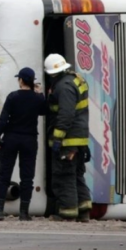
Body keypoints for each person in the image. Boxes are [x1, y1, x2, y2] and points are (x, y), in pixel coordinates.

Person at [0, 67, 47, 221]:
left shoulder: (13, 97)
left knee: (4, 175)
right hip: (29, 140)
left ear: (21, 80)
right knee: (27, 177)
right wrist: (40, 93)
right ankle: (24, 213)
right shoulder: (37, 99)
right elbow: (44, 111)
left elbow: (3, 120)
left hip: (11, 139)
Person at [43, 53, 92, 222]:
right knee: (77, 175)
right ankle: (84, 211)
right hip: (78, 138)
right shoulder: (76, 80)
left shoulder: (63, 87)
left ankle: (67, 212)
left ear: (52, 73)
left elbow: (66, 114)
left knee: (64, 176)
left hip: (67, 140)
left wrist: (57, 138)